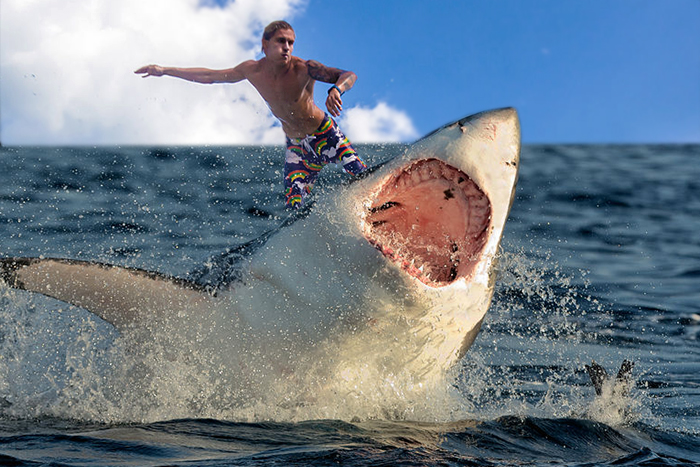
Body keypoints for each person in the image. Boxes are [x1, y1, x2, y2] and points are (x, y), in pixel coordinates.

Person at [135, 20, 367, 209]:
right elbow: (210, 76)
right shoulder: (252, 70)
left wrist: (337, 89)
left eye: (291, 42)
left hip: (325, 134)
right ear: (264, 44)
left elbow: (348, 74)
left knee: (361, 175)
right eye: (281, 41)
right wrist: (164, 70)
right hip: (296, 146)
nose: (287, 47)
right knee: (295, 206)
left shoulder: (305, 68)